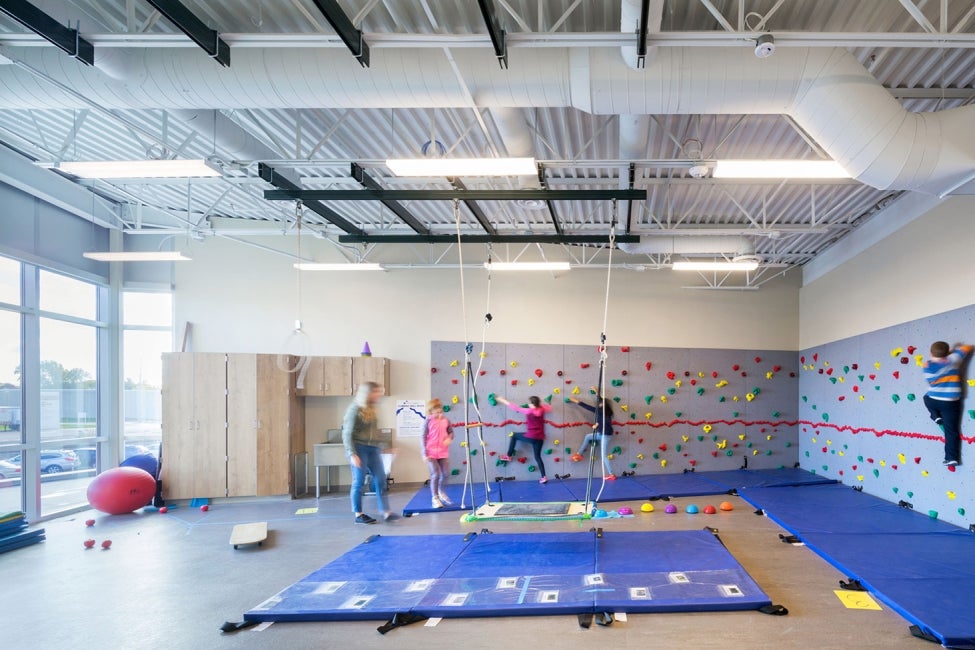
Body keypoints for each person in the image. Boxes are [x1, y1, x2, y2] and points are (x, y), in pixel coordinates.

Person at [342, 381, 397, 523]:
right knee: (359, 481)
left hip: (373, 449)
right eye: (376, 392)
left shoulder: (372, 409)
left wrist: (383, 447)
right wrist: (352, 453)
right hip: (359, 448)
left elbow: (373, 433)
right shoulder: (355, 409)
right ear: (368, 393)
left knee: (380, 479)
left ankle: (385, 511)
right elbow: (347, 433)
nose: (379, 394)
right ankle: (358, 514)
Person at [923, 341, 972, 467]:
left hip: (934, 400)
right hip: (950, 402)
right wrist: (951, 352)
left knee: (925, 397)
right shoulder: (952, 360)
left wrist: (945, 354)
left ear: (931, 353)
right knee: (951, 431)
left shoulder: (926, 365)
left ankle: (935, 416)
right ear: (947, 352)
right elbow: (966, 348)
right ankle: (951, 458)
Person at [496, 395, 552, 484]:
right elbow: (549, 408)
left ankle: (508, 456)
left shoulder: (529, 411)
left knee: (514, 435)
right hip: (540, 438)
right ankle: (544, 477)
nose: (528, 404)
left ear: (532, 404)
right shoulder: (542, 409)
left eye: (530, 403)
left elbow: (516, 408)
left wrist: (503, 400)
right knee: (537, 457)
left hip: (531, 436)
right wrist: (549, 402)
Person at [568, 395, 616, 479]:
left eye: (600, 403)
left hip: (605, 435)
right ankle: (579, 454)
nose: (598, 404)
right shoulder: (606, 411)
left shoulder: (601, 411)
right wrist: (597, 392)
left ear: (603, 405)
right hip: (602, 434)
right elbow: (604, 421)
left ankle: (611, 474)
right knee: (588, 437)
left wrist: (575, 400)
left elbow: (588, 407)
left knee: (603, 455)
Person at [422, 398, 454, 508]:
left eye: (441, 412)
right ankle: (435, 498)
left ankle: (440, 491)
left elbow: (451, 432)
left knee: (446, 473)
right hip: (430, 452)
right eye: (437, 412)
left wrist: (449, 438)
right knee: (436, 474)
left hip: (442, 452)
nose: (439, 414)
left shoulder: (446, 421)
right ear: (431, 411)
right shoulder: (427, 421)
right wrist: (424, 453)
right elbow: (423, 437)